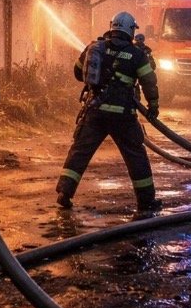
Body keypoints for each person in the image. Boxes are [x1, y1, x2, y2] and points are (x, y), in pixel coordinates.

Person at [55, 11, 161, 216]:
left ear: (112, 26)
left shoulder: (95, 47)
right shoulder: (137, 54)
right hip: (123, 116)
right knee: (136, 157)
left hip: (95, 111)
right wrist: (153, 106)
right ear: (131, 30)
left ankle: (64, 193)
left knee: (80, 152)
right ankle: (146, 202)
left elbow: (78, 73)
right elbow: (149, 81)